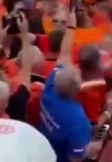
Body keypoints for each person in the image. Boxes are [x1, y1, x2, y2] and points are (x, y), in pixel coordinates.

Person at [38, 28, 94, 162]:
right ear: (77, 89)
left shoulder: (51, 86)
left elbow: (64, 55)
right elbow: (75, 159)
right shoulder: (78, 121)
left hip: (42, 151)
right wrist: (92, 148)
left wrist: (71, 27)